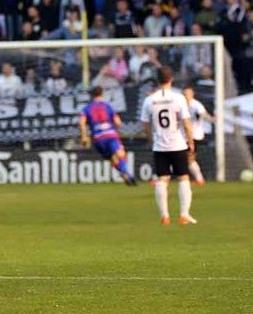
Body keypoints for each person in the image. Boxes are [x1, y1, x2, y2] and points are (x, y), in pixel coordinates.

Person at [140, 67, 195, 225]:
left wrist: (151, 139)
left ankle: (164, 216)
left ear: (157, 81)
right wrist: (190, 141)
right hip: (177, 144)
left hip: (159, 145)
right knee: (183, 177)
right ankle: (184, 215)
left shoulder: (149, 100)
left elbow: (144, 123)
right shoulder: (178, 98)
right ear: (171, 79)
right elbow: (185, 122)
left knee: (162, 179)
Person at [79, 86, 136, 186]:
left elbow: (81, 122)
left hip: (97, 139)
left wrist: (84, 136)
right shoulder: (107, 106)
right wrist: (115, 130)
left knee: (113, 159)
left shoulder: (86, 108)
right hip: (110, 135)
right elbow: (118, 122)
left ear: (92, 96)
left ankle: (125, 175)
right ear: (102, 94)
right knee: (121, 155)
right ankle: (128, 174)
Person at [183, 87, 214, 187]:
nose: (186, 96)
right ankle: (198, 179)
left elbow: (203, 114)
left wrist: (210, 118)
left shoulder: (196, 105)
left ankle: (199, 179)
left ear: (192, 94)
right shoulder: (181, 104)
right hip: (184, 136)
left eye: (188, 94)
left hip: (195, 135)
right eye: (185, 94)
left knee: (189, 158)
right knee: (186, 158)